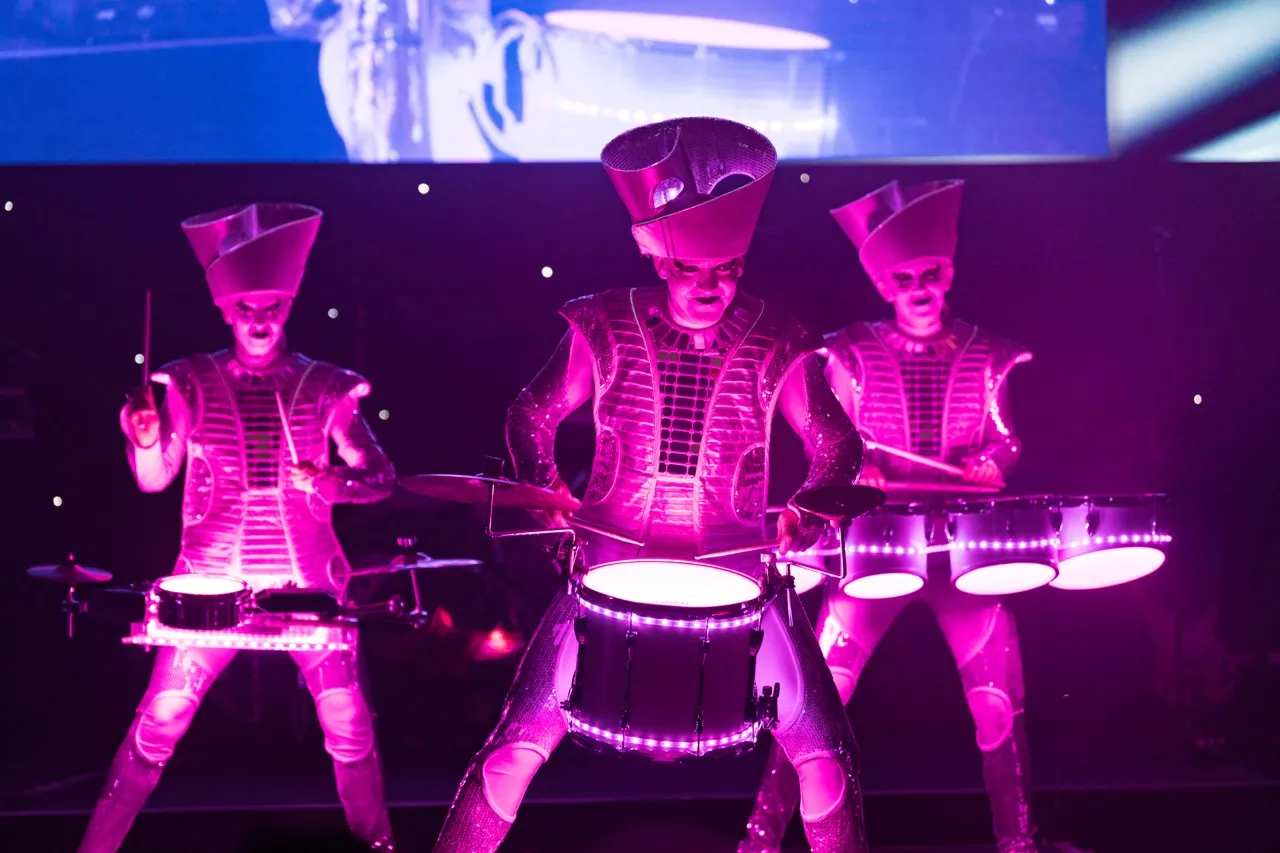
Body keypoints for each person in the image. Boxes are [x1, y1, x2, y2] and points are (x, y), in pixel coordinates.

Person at [431, 117, 870, 852]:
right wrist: (545, 491)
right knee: (513, 748)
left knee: (827, 761)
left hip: (741, 578)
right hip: (605, 571)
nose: (713, 285)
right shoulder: (601, 321)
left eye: (728, 267)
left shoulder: (780, 336)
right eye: (694, 270)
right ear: (659, 260)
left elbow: (836, 443)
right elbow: (532, 412)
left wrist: (811, 507)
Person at [739, 180, 1078, 853]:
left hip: (965, 554)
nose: (919, 288)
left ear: (946, 273)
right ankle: (758, 840)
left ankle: (1018, 842)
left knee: (997, 702)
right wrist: (848, 471)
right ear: (885, 286)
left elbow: (1005, 435)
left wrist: (991, 462)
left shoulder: (988, 354)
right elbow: (828, 442)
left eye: (928, 274)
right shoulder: (851, 354)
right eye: (904, 278)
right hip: (875, 548)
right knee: (814, 700)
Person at [79, 203, 397, 852]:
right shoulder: (191, 381)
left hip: (305, 589)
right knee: (156, 726)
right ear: (227, 310)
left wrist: (333, 481)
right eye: (246, 308)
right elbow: (155, 476)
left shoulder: (323, 385)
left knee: (350, 724)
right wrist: (141, 438)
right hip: (209, 591)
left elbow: (382, 475)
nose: (259, 320)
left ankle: (380, 848)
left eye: (271, 307)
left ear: (289, 307)